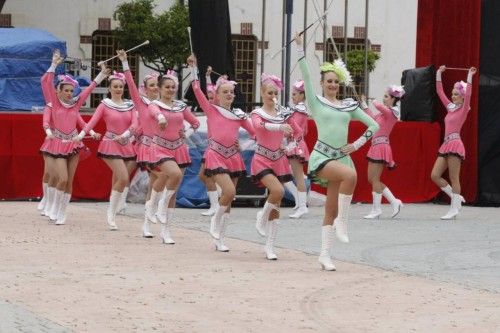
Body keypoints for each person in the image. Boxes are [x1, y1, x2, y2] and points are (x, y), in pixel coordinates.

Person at [295, 33, 379, 271]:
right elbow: (306, 75)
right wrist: (300, 48)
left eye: (336, 82)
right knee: (351, 177)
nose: (333, 85)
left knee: (330, 208)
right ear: (322, 83)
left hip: (342, 157)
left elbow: (374, 125)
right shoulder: (316, 101)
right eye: (329, 81)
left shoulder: (348, 106)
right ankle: (344, 221)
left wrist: (357, 144)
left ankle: (325, 254)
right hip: (322, 156)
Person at [188, 55, 255, 251]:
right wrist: (194, 69)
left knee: (230, 200)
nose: (228, 94)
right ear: (217, 94)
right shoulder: (211, 110)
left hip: (233, 156)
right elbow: (196, 89)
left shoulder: (238, 115)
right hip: (215, 154)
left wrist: (246, 143)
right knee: (229, 192)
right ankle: (214, 221)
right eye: (225, 91)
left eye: (231, 92)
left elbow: (255, 134)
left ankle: (220, 239)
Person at [40, 49, 108, 225]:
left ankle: (62, 212)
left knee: (69, 180)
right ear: (59, 91)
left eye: (72, 90)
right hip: (57, 144)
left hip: (73, 144)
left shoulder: (76, 105)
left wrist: (101, 74)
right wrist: (54, 63)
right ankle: (53, 205)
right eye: (67, 90)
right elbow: (46, 83)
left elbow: (89, 89)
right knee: (61, 178)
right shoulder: (53, 103)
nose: (70, 93)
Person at [77, 56, 138, 230]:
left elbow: (135, 124)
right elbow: (92, 122)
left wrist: (125, 135)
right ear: (110, 88)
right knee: (123, 177)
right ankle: (111, 213)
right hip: (110, 143)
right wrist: (82, 135)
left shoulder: (129, 105)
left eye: (120, 86)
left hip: (125, 144)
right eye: (115, 86)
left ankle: (115, 208)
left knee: (117, 178)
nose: (118, 89)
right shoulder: (104, 104)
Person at [251, 73, 301, 260]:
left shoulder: (283, 114)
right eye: (269, 93)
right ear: (262, 94)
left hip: (279, 160)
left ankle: (269, 247)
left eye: (275, 93)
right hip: (262, 159)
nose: (272, 96)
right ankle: (261, 217)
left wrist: (289, 145)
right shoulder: (257, 113)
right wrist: (279, 128)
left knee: (277, 205)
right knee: (278, 191)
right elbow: (259, 126)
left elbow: (298, 132)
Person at [147, 71, 200, 244]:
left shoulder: (180, 106)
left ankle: (166, 231)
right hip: (160, 148)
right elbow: (155, 112)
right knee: (175, 174)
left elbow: (195, 123)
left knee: (174, 193)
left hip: (178, 149)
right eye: (167, 87)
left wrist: (187, 133)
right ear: (160, 89)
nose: (170, 90)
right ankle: (158, 204)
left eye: (173, 87)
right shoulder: (154, 104)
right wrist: (161, 118)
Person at [117, 52, 159, 237]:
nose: (155, 88)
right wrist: (125, 62)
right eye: (152, 86)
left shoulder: (164, 103)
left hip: (161, 147)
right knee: (129, 172)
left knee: (157, 180)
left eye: (157, 85)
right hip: (142, 144)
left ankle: (153, 210)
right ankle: (121, 200)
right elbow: (136, 124)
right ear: (146, 88)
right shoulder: (141, 104)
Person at [431, 65, 477, 220]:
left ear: (462, 96)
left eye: (457, 94)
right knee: (435, 175)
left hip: (456, 145)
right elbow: (439, 91)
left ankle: (454, 208)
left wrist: (470, 76)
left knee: (454, 178)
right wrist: (439, 73)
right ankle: (456, 198)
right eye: (453, 94)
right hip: (445, 145)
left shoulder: (464, 109)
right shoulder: (450, 108)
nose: (453, 96)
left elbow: (469, 93)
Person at [361, 85, 405, 219]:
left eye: (386, 96)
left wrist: (373, 101)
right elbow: (372, 120)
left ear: (393, 99)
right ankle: (394, 201)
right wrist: (364, 105)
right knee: (372, 179)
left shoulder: (392, 112)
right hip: (375, 146)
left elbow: (380, 107)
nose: (384, 99)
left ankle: (376, 210)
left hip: (381, 146)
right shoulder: (383, 114)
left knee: (374, 179)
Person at [284, 80, 310, 219]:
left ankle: (302, 206)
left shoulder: (299, 110)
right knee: (296, 176)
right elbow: (305, 130)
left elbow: (298, 130)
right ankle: (300, 203)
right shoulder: (299, 110)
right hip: (296, 144)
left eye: (294, 94)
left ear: (301, 95)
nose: (292, 96)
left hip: (296, 145)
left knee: (299, 177)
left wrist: (288, 118)